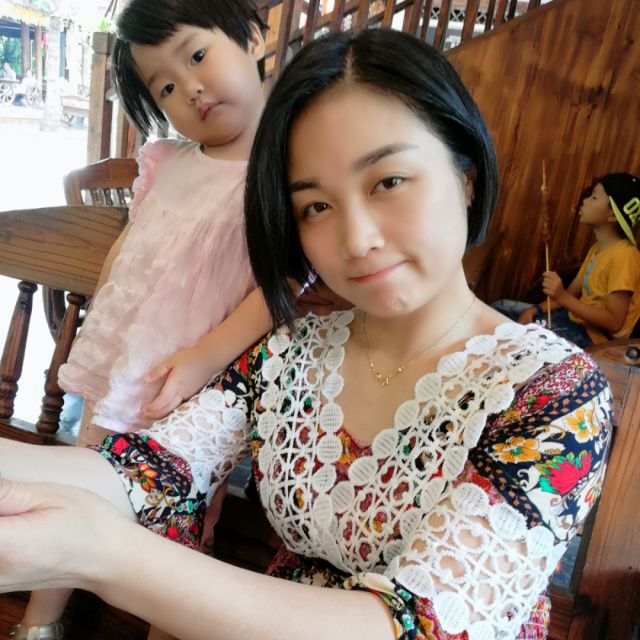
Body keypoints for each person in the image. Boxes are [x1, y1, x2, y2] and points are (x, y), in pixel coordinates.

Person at [0, 28, 612, 640]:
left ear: (466, 176)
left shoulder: (555, 394)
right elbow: (150, 470)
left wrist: (100, 553)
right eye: (315, 206)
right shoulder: (289, 354)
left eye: (388, 181)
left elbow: (420, 626)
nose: (357, 239)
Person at [12, 0, 300, 638]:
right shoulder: (168, 162)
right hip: (125, 364)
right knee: (78, 491)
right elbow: (127, 251)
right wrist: (97, 329)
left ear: (253, 37)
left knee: (185, 521)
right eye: (165, 86)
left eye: (197, 55)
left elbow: (282, 283)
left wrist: (203, 360)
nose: (189, 88)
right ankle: (40, 622)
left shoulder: (283, 169)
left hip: (204, 389)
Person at [493, 173, 640, 348]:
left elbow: (614, 322)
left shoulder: (625, 256)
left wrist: (561, 296)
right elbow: (569, 294)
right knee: (498, 308)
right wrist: (534, 310)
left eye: (594, 197)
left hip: (592, 338)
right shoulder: (597, 249)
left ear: (613, 215)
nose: (585, 201)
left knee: (520, 341)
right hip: (571, 318)